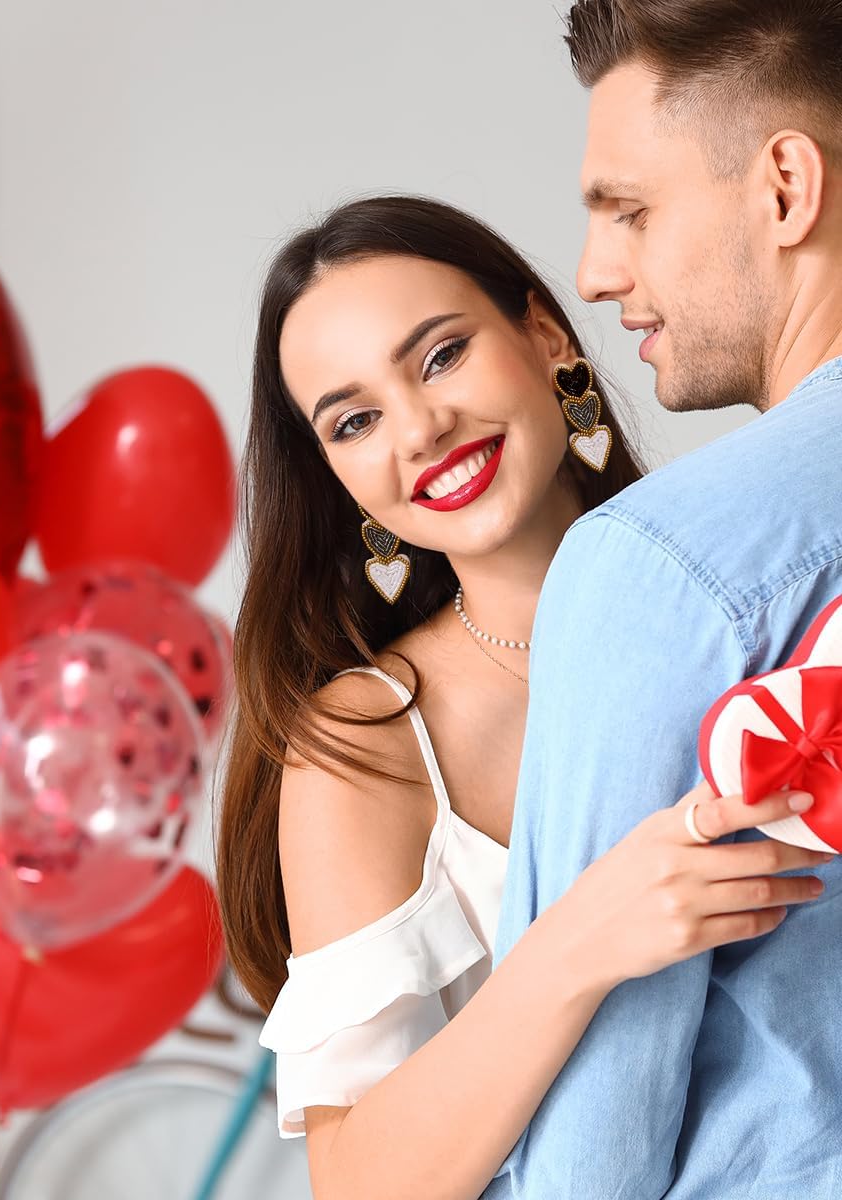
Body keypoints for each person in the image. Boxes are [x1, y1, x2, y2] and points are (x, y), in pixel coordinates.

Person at [215, 195, 830, 1200]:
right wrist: (579, 943)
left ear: (542, 336)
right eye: (356, 420)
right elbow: (357, 1184)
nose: (420, 427)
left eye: (441, 355)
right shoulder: (367, 741)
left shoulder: (743, 588)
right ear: (337, 479)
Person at [486, 3, 842, 1197]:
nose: (594, 273)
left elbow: (588, 1152)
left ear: (784, 188)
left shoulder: (659, 566)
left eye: (629, 210)